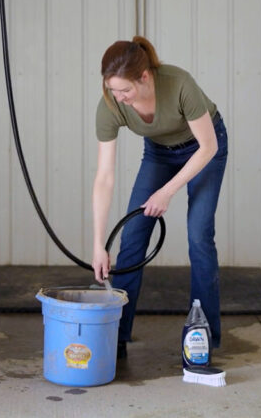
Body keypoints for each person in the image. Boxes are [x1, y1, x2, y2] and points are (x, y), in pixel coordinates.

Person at [91, 36, 228, 359]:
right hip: (159, 153)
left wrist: (167, 192)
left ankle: (204, 337)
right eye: (113, 90)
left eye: (125, 90)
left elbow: (208, 147)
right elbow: (104, 177)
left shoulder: (178, 83)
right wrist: (99, 244)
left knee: (199, 235)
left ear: (145, 77)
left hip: (204, 149)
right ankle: (117, 338)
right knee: (133, 237)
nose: (120, 98)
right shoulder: (111, 105)